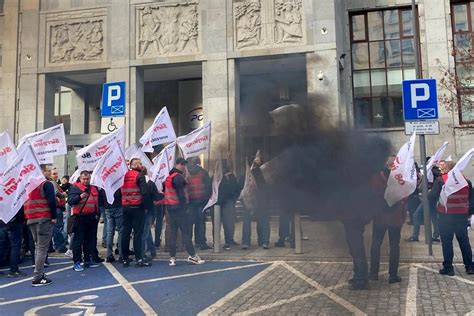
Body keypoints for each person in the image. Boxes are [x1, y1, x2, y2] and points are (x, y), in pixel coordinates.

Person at [429, 161, 474, 276]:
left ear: (448, 169)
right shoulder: (466, 181)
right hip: (461, 216)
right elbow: (471, 199)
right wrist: (467, 212)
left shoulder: (441, 180)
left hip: (445, 216)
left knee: (447, 242)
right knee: (464, 241)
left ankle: (448, 267)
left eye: (443, 167)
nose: (442, 169)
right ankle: (469, 266)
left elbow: (432, 196)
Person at [369, 156, 406, 284]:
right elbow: (404, 195)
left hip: (379, 216)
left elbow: (372, 195)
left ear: (386, 163)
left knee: (375, 244)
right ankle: (393, 275)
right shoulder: (400, 177)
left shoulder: (376, 176)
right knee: (394, 245)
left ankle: (373, 273)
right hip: (395, 217)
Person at [164, 158, 204, 266]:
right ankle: (192, 256)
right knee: (186, 233)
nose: (183, 166)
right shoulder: (178, 178)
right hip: (179, 210)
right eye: (182, 164)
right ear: (177, 164)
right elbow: (181, 195)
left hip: (170, 209)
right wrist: (185, 207)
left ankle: (172, 258)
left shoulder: (169, 177)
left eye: (184, 164)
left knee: (173, 233)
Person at [23, 165, 57, 286]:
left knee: (38, 247)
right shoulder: (45, 184)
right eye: (47, 171)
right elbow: (51, 201)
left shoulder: (28, 185)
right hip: (43, 218)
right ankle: (38, 276)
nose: (49, 173)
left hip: (31, 218)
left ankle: (38, 274)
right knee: (42, 248)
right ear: (41, 172)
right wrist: (54, 216)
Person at [68, 170, 101, 272]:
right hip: (80, 217)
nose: (86, 181)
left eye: (87, 179)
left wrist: (97, 214)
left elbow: (97, 202)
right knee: (78, 240)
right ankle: (77, 262)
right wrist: (79, 197)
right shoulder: (75, 188)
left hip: (91, 217)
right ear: (80, 178)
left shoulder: (94, 188)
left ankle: (87, 260)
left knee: (89, 240)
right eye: (84, 179)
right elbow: (70, 201)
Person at [121, 158, 151, 268]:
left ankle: (124, 259)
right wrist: (147, 207)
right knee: (138, 234)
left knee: (125, 233)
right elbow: (144, 193)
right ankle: (139, 259)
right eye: (140, 163)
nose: (142, 165)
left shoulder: (124, 175)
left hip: (125, 207)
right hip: (137, 207)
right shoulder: (139, 176)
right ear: (136, 165)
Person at [186, 158, 212, 250]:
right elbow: (209, 187)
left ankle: (188, 243)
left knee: (189, 223)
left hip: (190, 202)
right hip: (201, 201)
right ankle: (201, 242)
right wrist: (206, 199)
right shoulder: (203, 172)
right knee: (200, 222)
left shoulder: (186, 172)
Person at [217, 160, 240, 250]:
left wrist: (232, 199)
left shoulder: (230, 176)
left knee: (228, 223)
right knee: (222, 223)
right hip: (220, 202)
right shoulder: (218, 176)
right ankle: (222, 241)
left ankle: (228, 240)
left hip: (226, 202)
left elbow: (235, 189)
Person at [0, 208, 26, 278]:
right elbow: (20, 212)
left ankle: (13, 270)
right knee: (15, 247)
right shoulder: (15, 198)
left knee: (2, 246)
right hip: (14, 222)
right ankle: (13, 270)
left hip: (2, 222)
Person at [142, 177, 162, 260]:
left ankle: (144, 253)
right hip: (149, 210)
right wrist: (161, 194)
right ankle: (150, 251)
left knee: (145, 232)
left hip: (141, 210)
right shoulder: (150, 183)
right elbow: (156, 197)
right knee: (146, 232)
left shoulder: (138, 183)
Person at [102, 189, 123, 263]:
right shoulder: (117, 184)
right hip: (118, 206)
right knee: (121, 231)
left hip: (108, 207)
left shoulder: (104, 184)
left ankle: (109, 254)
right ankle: (121, 254)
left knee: (110, 232)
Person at [50, 167, 67, 253]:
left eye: (56, 173)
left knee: (55, 227)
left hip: (56, 208)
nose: (56, 175)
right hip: (57, 208)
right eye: (54, 174)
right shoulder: (52, 183)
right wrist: (63, 194)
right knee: (58, 227)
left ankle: (55, 246)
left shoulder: (52, 182)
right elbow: (56, 193)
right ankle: (60, 246)